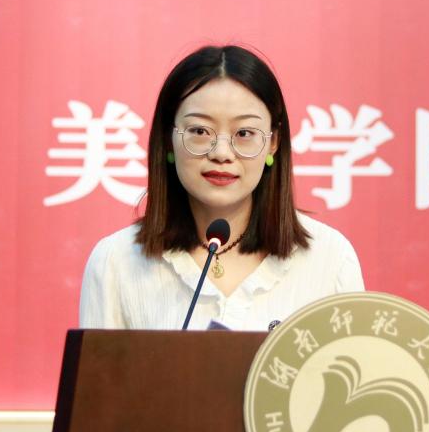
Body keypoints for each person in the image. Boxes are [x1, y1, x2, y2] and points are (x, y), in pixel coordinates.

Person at [79, 44, 364, 330]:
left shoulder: (330, 258)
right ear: (168, 139)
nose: (222, 153)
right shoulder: (115, 262)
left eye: (244, 133)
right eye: (200, 131)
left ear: (273, 143)